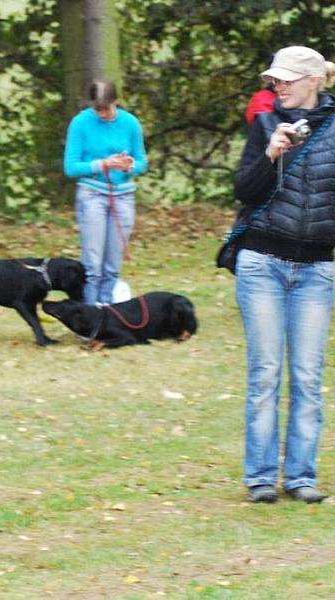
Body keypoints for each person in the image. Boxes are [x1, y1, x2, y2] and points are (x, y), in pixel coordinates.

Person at [233, 46, 335, 504]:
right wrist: (270, 154)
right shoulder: (265, 126)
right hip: (262, 264)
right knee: (266, 372)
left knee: (309, 376)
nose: (279, 85)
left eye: (288, 78)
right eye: (276, 79)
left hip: (317, 268)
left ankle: (301, 477)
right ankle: (259, 478)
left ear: (315, 80)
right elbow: (243, 192)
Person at [63, 79, 148, 305]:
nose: (102, 114)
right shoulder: (80, 123)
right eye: (97, 108)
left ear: (116, 102)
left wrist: (130, 165)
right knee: (92, 263)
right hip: (92, 195)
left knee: (113, 263)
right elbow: (71, 167)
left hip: (123, 195)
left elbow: (142, 162)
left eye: (106, 108)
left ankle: (108, 312)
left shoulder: (131, 123)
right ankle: (90, 313)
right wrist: (102, 164)